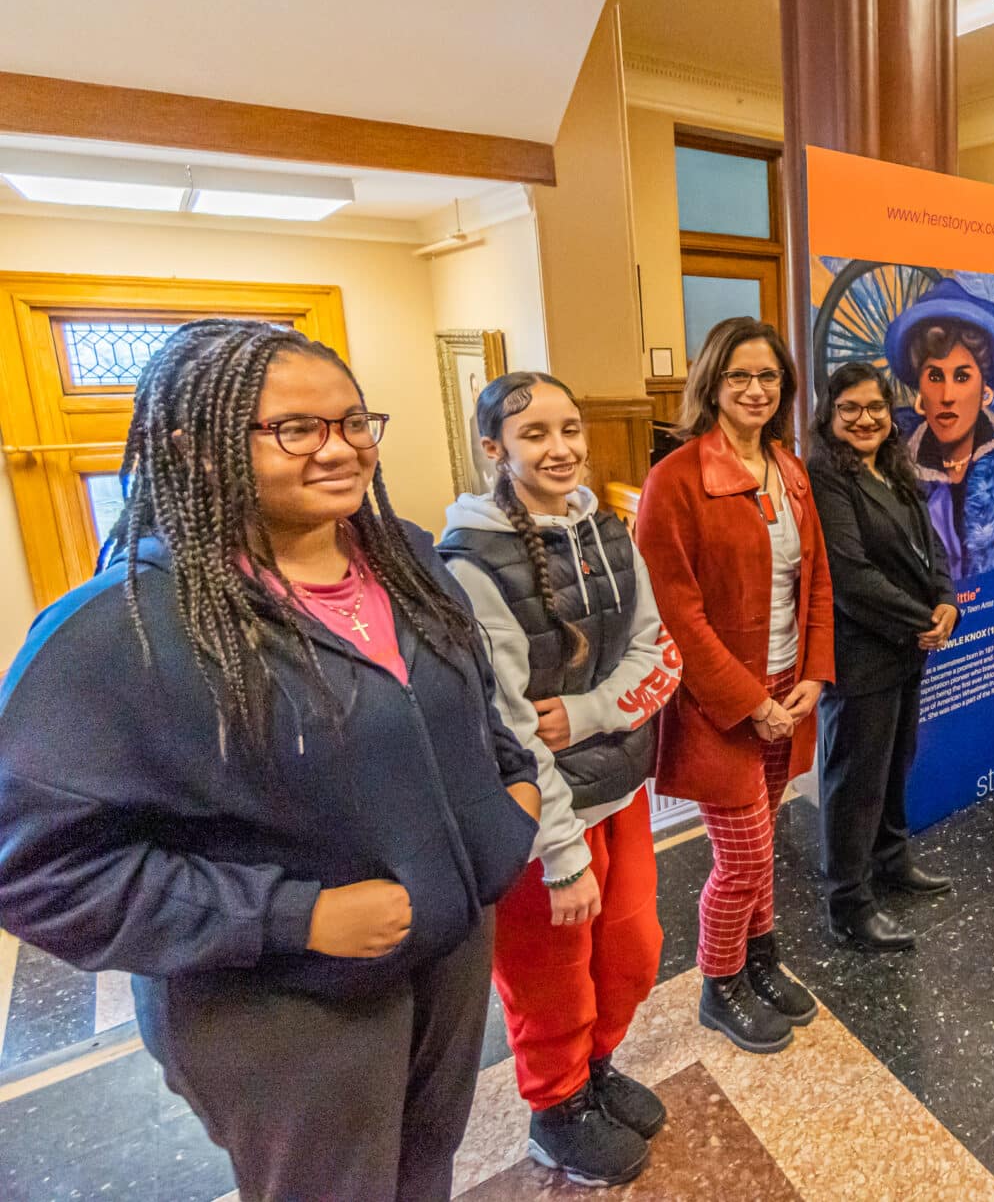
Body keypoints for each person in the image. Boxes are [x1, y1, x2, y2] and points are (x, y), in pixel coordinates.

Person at [0, 319, 542, 1201]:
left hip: (443, 949)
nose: (341, 448)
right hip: (284, 1002)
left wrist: (509, 797)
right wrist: (295, 918)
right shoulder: (120, 629)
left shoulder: (402, 555)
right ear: (198, 447)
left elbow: (468, 697)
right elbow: (34, 871)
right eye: (297, 428)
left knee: (422, 1169)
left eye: (355, 421)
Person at [439, 372, 679, 1188]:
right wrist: (561, 853)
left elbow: (660, 653)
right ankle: (557, 1105)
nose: (560, 447)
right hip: (540, 814)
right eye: (534, 432)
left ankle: (596, 1067)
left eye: (570, 427)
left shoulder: (608, 528)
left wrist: (584, 714)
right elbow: (506, 723)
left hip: (618, 789)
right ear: (493, 448)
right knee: (550, 976)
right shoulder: (472, 560)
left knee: (633, 950)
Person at [636, 317, 834, 1057]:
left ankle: (760, 956)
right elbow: (675, 612)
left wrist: (814, 672)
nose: (756, 390)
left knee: (765, 837)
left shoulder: (790, 467)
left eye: (770, 377)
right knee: (744, 855)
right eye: (740, 376)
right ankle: (720, 983)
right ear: (712, 384)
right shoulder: (677, 478)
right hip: (724, 700)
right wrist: (751, 701)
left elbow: (815, 578)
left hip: (789, 681)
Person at [807, 362, 960, 953]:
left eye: (875, 407)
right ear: (830, 413)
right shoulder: (826, 477)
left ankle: (891, 860)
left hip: (907, 647)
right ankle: (849, 902)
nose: (865, 419)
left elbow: (932, 546)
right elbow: (851, 577)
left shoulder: (893, 467)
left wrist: (946, 601)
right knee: (855, 779)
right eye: (850, 408)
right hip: (860, 653)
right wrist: (925, 620)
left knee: (895, 762)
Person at [886, 278, 994, 581]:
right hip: (928, 620)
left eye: (962, 378)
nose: (947, 395)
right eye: (935, 377)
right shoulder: (895, 459)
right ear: (920, 391)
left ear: (984, 390)